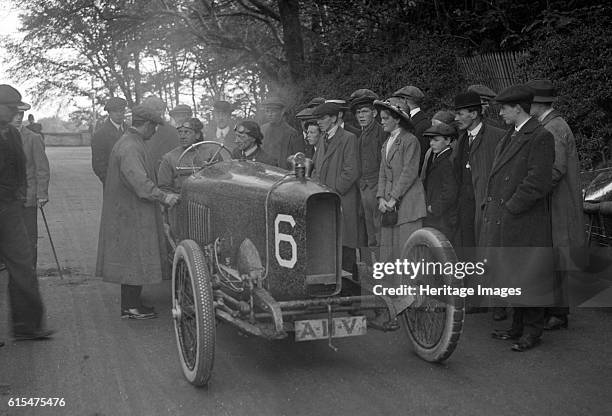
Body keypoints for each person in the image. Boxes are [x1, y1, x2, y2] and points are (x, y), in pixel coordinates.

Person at [483, 85, 555, 352]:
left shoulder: (540, 136)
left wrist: (511, 207)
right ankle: (517, 327)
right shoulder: (510, 136)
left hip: (524, 219)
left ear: (518, 108)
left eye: (504, 108)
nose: (500, 112)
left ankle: (532, 331)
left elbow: (538, 182)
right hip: (508, 218)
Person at [96, 105, 180, 319]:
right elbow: (140, 182)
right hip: (130, 212)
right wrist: (164, 197)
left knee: (132, 255)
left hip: (128, 210)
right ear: (148, 125)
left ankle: (131, 303)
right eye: (155, 127)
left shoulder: (130, 141)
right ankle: (130, 307)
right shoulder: (131, 146)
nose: (155, 132)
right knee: (133, 256)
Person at [527, 79, 585, 330]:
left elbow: (555, 169)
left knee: (557, 252)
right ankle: (555, 309)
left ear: (538, 104)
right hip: (557, 200)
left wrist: (533, 192)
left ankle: (559, 313)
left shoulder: (552, 128)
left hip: (557, 202)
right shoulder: (553, 124)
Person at [0, 84, 53, 340]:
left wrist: (19, 195)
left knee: (23, 263)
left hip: (9, 208)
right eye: (11, 109)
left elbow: (22, 168)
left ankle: (27, 326)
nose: (15, 114)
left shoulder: (12, 134)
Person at [453, 90, 506, 317]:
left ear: (474, 114)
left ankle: (499, 304)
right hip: (466, 204)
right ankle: (476, 298)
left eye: (460, 113)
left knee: (491, 251)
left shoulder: (497, 136)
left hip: (486, 204)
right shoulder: (462, 138)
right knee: (469, 251)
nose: (456, 118)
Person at [311, 102, 364, 273]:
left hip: (341, 200)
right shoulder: (322, 138)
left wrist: (331, 193)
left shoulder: (348, 138)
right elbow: (316, 168)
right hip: (324, 200)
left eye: (323, 118)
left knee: (344, 243)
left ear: (334, 118)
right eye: (317, 118)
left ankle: (349, 291)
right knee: (327, 243)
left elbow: (351, 172)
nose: (319, 122)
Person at [374, 99, 427, 262]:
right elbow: (382, 172)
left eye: (385, 118)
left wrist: (393, 199)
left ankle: (410, 287)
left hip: (408, 205)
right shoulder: (386, 143)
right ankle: (391, 286)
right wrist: (381, 198)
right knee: (389, 254)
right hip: (390, 206)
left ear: (397, 119)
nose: (381, 122)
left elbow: (409, 173)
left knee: (407, 253)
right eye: (381, 118)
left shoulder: (410, 140)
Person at [11, 104, 50, 269]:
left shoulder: (33, 138)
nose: (19, 117)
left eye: (22, 113)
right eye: (15, 113)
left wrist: (42, 194)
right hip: (6, 199)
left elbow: (42, 168)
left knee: (28, 238)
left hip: (27, 198)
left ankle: (29, 271)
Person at [351, 90, 386, 249]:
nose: (361, 116)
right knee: (369, 229)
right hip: (364, 188)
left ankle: (384, 267)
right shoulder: (360, 135)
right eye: (358, 113)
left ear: (374, 112)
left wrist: (380, 190)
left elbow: (385, 165)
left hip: (378, 188)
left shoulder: (382, 133)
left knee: (380, 229)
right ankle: (374, 266)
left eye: (364, 111)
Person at [158, 118, 217, 193]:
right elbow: (164, 188)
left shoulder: (211, 153)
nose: (182, 136)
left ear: (197, 135)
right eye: (180, 132)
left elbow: (224, 178)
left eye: (187, 132)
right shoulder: (169, 158)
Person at [422, 123, 458, 240]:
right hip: (437, 216)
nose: (432, 143)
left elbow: (450, 191)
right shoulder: (438, 157)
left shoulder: (447, 161)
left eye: (436, 140)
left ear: (448, 141)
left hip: (443, 217)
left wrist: (435, 207)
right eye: (431, 140)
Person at [391, 86, 431, 169]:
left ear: (405, 100)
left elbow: (420, 157)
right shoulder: (416, 120)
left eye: (399, 101)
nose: (397, 105)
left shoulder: (423, 125)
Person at [261, 96, 305, 170]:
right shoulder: (262, 130)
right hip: (264, 173)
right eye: (267, 111)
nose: (270, 114)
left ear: (282, 112)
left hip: (283, 175)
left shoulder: (292, 133)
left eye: (273, 111)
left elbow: (299, 159)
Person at [91, 97, 127, 185]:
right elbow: (98, 164)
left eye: (121, 111)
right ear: (109, 113)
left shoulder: (131, 131)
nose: (119, 114)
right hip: (112, 184)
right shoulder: (100, 135)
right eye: (115, 111)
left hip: (132, 183)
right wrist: (109, 181)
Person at [142, 95, 180, 170]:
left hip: (163, 173)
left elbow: (176, 155)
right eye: (152, 109)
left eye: (159, 109)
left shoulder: (172, 132)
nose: (157, 112)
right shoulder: (138, 130)